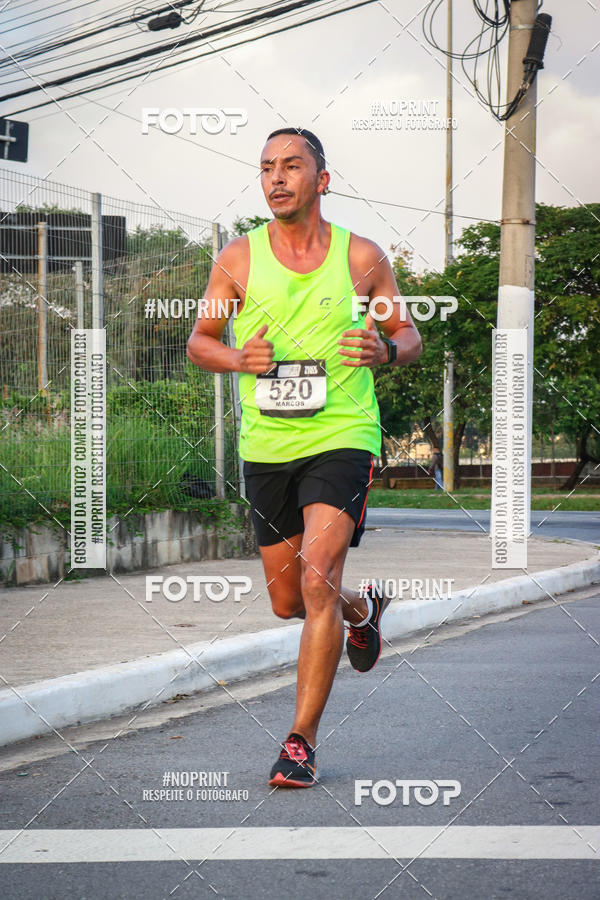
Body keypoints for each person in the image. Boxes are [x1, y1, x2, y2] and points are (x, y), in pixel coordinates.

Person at [186, 127, 422, 788]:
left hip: (343, 436)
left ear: (322, 180)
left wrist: (386, 350)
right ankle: (361, 611)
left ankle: (300, 742)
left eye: (292, 165)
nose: (277, 178)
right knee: (289, 601)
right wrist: (238, 358)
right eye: (267, 167)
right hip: (268, 447)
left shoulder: (361, 258)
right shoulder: (238, 258)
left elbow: (407, 332)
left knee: (317, 579)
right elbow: (200, 341)